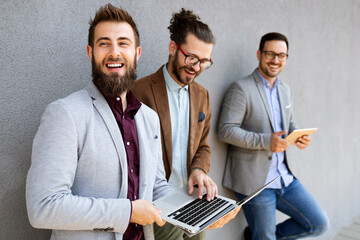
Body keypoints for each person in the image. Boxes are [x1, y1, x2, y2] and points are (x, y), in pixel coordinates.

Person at [26, 4, 172, 240]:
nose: (114, 52)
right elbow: (43, 207)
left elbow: (156, 187)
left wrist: (202, 209)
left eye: (123, 43)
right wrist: (129, 212)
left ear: (137, 53)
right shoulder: (64, 114)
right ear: (90, 52)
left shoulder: (149, 118)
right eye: (104, 43)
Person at [132, 8, 239, 240]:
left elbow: (203, 145)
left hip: (194, 199)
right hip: (159, 205)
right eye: (191, 57)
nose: (196, 67)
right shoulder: (138, 92)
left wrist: (198, 170)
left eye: (204, 62)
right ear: (173, 48)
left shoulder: (203, 95)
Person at [217, 32, 329, 240]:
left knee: (319, 223)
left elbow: (288, 125)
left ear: (286, 58)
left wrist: (298, 136)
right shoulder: (241, 88)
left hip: (284, 177)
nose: (276, 60)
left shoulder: (285, 89)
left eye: (281, 55)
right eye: (270, 54)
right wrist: (267, 141)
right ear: (259, 54)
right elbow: (226, 130)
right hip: (254, 182)